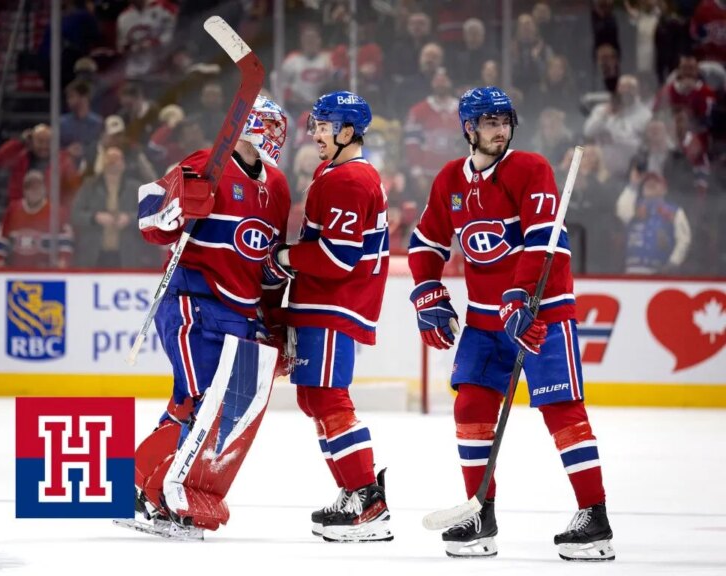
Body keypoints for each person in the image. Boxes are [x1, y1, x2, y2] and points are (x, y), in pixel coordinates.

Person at [407, 86, 615, 561]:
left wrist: (521, 297)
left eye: (504, 121)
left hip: (542, 310)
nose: (499, 130)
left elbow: (545, 239)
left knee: (561, 409)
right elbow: (425, 244)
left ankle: (594, 517)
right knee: (470, 409)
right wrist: (427, 293)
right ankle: (480, 516)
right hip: (485, 323)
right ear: (468, 129)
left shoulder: (531, 169)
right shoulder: (449, 181)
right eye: (488, 122)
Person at [127, 95, 292, 538]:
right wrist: (176, 209)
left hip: (241, 313)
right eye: (270, 124)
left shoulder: (278, 186)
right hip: (192, 300)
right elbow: (149, 217)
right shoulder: (206, 162)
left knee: (195, 403)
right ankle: (168, 496)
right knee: (206, 400)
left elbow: (262, 261)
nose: (278, 134)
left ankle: (143, 479)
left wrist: (275, 318)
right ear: (247, 125)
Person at [263, 91, 392, 543]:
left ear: (347, 131)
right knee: (314, 398)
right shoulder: (335, 173)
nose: (315, 133)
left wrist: (282, 256)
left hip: (335, 304)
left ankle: (366, 500)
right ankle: (352, 492)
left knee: (330, 398)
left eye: (323, 126)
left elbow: (337, 259)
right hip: (324, 303)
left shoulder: (348, 181)